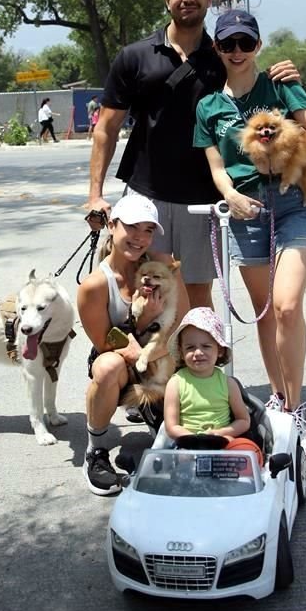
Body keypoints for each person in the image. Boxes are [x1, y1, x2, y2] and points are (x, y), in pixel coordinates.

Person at [85, 0, 301, 311]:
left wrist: (286, 73)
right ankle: (153, 366)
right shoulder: (135, 57)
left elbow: (260, 96)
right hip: (147, 194)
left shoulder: (224, 56)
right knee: (148, 291)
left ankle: (199, 367)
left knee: (198, 295)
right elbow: (106, 128)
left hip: (205, 196)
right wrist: (95, 195)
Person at [194, 9, 306, 458]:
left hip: (293, 205)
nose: (237, 51)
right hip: (246, 212)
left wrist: (284, 162)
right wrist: (231, 196)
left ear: (257, 45)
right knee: (264, 312)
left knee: (287, 306)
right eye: (228, 43)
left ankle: (294, 409)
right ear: (217, 48)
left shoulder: (280, 84)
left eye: (245, 42)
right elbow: (217, 169)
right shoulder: (208, 106)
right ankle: (278, 395)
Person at [77, 194, 185, 495]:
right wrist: (141, 329)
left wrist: (159, 353)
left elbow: (181, 318)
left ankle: (165, 426)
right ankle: (96, 451)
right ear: (112, 226)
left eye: (149, 230)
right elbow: (104, 340)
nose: (140, 237)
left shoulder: (164, 266)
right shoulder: (96, 285)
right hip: (121, 359)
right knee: (107, 367)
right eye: (132, 227)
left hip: (162, 356)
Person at [164, 307, 264, 467]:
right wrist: (194, 439)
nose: (198, 352)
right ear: (181, 352)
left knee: (242, 453)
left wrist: (220, 434)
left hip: (222, 438)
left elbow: (243, 420)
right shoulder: (175, 383)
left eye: (206, 346)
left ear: (219, 350)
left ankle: (245, 485)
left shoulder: (228, 383)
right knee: (180, 460)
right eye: (190, 347)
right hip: (187, 441)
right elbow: (171, 426)